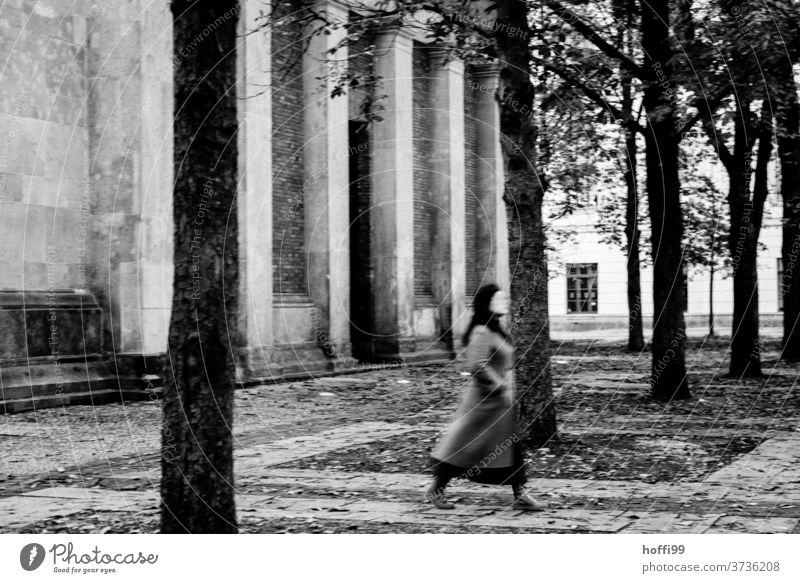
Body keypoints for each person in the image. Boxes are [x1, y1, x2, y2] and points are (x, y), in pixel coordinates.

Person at [426, 283, 546, 511]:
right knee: (462, 450)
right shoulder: (481, 330)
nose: (504, 302)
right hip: (483, 403)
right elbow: (477, 365)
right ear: (486, 303)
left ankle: (520, 494)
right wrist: (499, 386)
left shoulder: (496, 329)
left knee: (511, 449)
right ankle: (437, 489)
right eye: (498, 299)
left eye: (505, 298)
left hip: (500, 405)